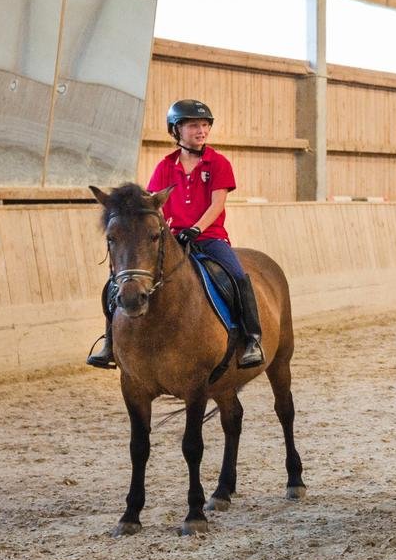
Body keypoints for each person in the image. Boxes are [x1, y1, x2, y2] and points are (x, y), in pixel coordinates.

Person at [87, 97, 264, 369]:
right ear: (176, 130)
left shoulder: (218, 163)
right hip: (172, 240)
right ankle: (110, 342)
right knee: (117, 282)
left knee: (237, 276)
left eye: (205, 125)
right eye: (194, 125)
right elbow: (151, 206)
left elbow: (218, 204)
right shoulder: (165, 167)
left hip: (209, 237)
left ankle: (252, 339)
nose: (201, 131)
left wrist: (196, 229)